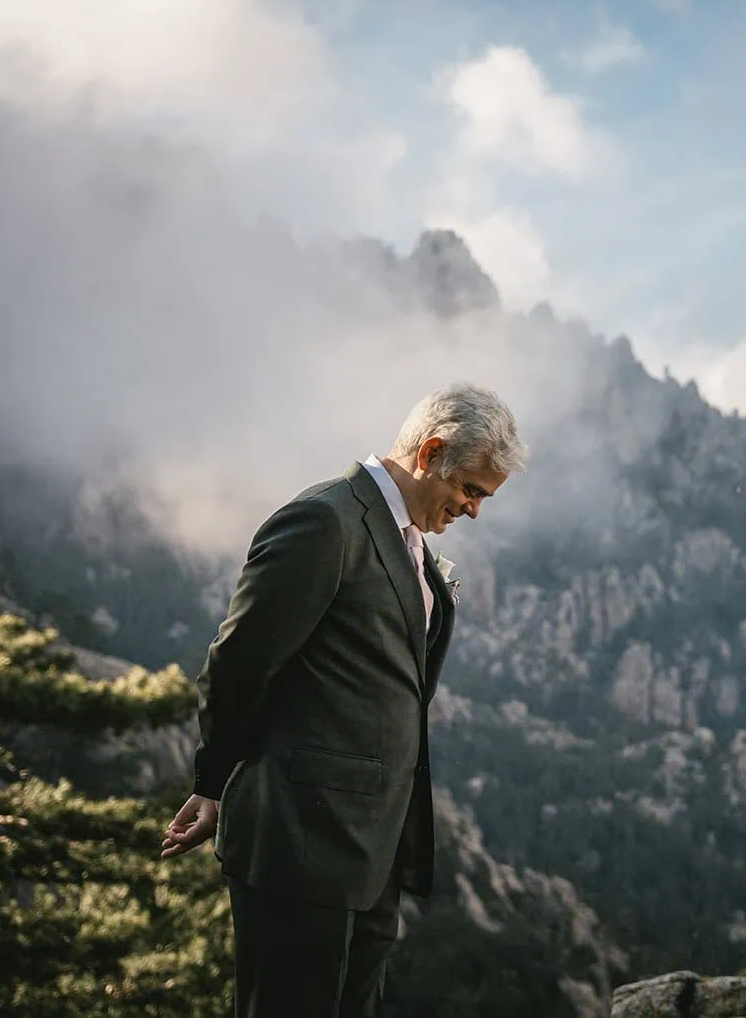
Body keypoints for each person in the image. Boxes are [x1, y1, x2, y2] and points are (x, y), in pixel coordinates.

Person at [158, 382, 526, 1018]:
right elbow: (239, 663)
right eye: (470, 490)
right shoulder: (325, 521)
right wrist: (214, 780)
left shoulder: (410, 543)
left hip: (369, 854)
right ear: (431, 451)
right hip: (301, 843)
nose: (473, 510)